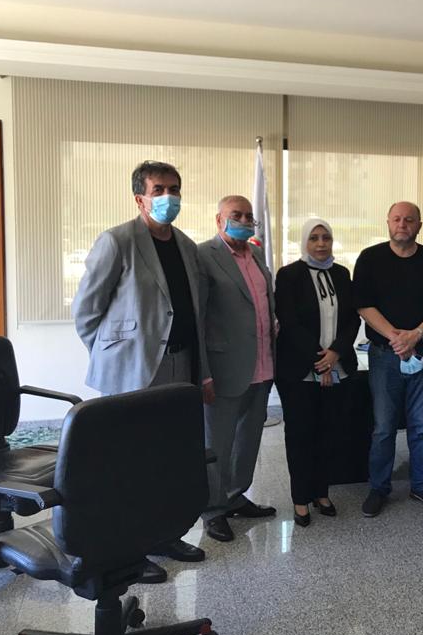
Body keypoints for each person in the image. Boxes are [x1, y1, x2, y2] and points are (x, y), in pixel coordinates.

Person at [72, 160, 208, 583]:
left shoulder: (186, 246)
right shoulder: (117, 241)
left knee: (168, 457)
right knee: (128, 461)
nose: (169, 197)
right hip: (132, 369)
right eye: (159, 190)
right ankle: (128, 548)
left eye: (174, 189)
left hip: (181, 364)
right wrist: (114, 356)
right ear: (140, 198)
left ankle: (163, 535)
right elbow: (86, 312)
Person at [353, 202, 423, 517]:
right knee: (383, 427)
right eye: (397, 219)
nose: (402, 224)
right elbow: (363, 305)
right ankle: (379, 488)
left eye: (409, 219)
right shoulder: (370, 258)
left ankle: (421, 485)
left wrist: (416, 335)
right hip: (384, 356)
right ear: (388, 222)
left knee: (421, 426)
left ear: (419, 225)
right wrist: (397, 338)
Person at [196, 195, 278, 543]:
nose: (244, 221)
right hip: (223, 369)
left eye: (248, 216)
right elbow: (197, 319)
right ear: (219, 220)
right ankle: (213, 509)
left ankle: (235, 496)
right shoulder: (203, 256)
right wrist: (203, 373)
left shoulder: (256, 255)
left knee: (248, 440)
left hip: (261, 364)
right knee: (217, 443)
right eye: (236, 215)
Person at [275, 218, 360, 527]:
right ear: (304, 241)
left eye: (326, 237)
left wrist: (335, 353)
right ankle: (301, 498)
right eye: (314, 238)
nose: (321, 243)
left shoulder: (342, 274)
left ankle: (321, 492)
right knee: (301, 435)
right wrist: (319, 361)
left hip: (337, 366)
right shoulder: (289, 275)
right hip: (299, 370)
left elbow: (352, 319)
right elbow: (289, 322)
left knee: (328, 433)